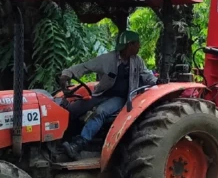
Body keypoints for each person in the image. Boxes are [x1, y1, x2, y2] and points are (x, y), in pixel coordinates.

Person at [57, 30, 157, 159]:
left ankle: (79, 144)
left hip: (122, 98)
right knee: (75, 107)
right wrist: (67, 74)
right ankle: (63, 138)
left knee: (100, 112)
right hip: (102, 93)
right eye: (137, 43)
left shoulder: (137, 61)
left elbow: (147, 75)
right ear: (129, 45)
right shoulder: (108, 59)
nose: (139, 46)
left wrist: (157, 82)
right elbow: (85, 67)